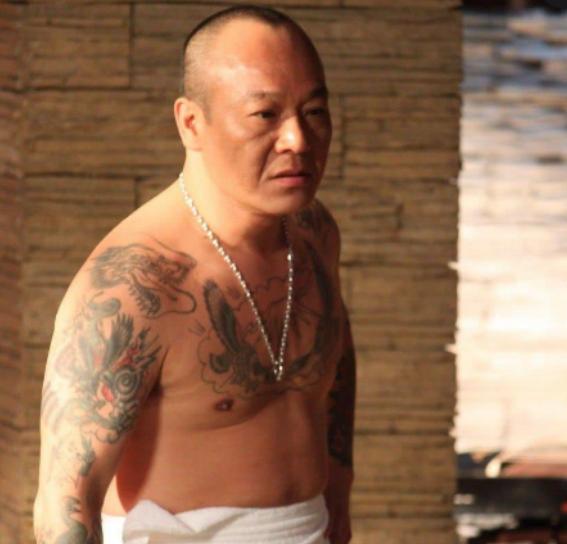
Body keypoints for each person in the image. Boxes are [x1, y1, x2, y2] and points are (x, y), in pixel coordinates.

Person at [33, 4, 357, 543]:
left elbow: (335, 357)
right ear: (191, 123)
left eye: (315, 112)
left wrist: (340, 500)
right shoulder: (134, 285)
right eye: (265, 115)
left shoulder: (315, 232)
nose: (298, 140)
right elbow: (65, 503)